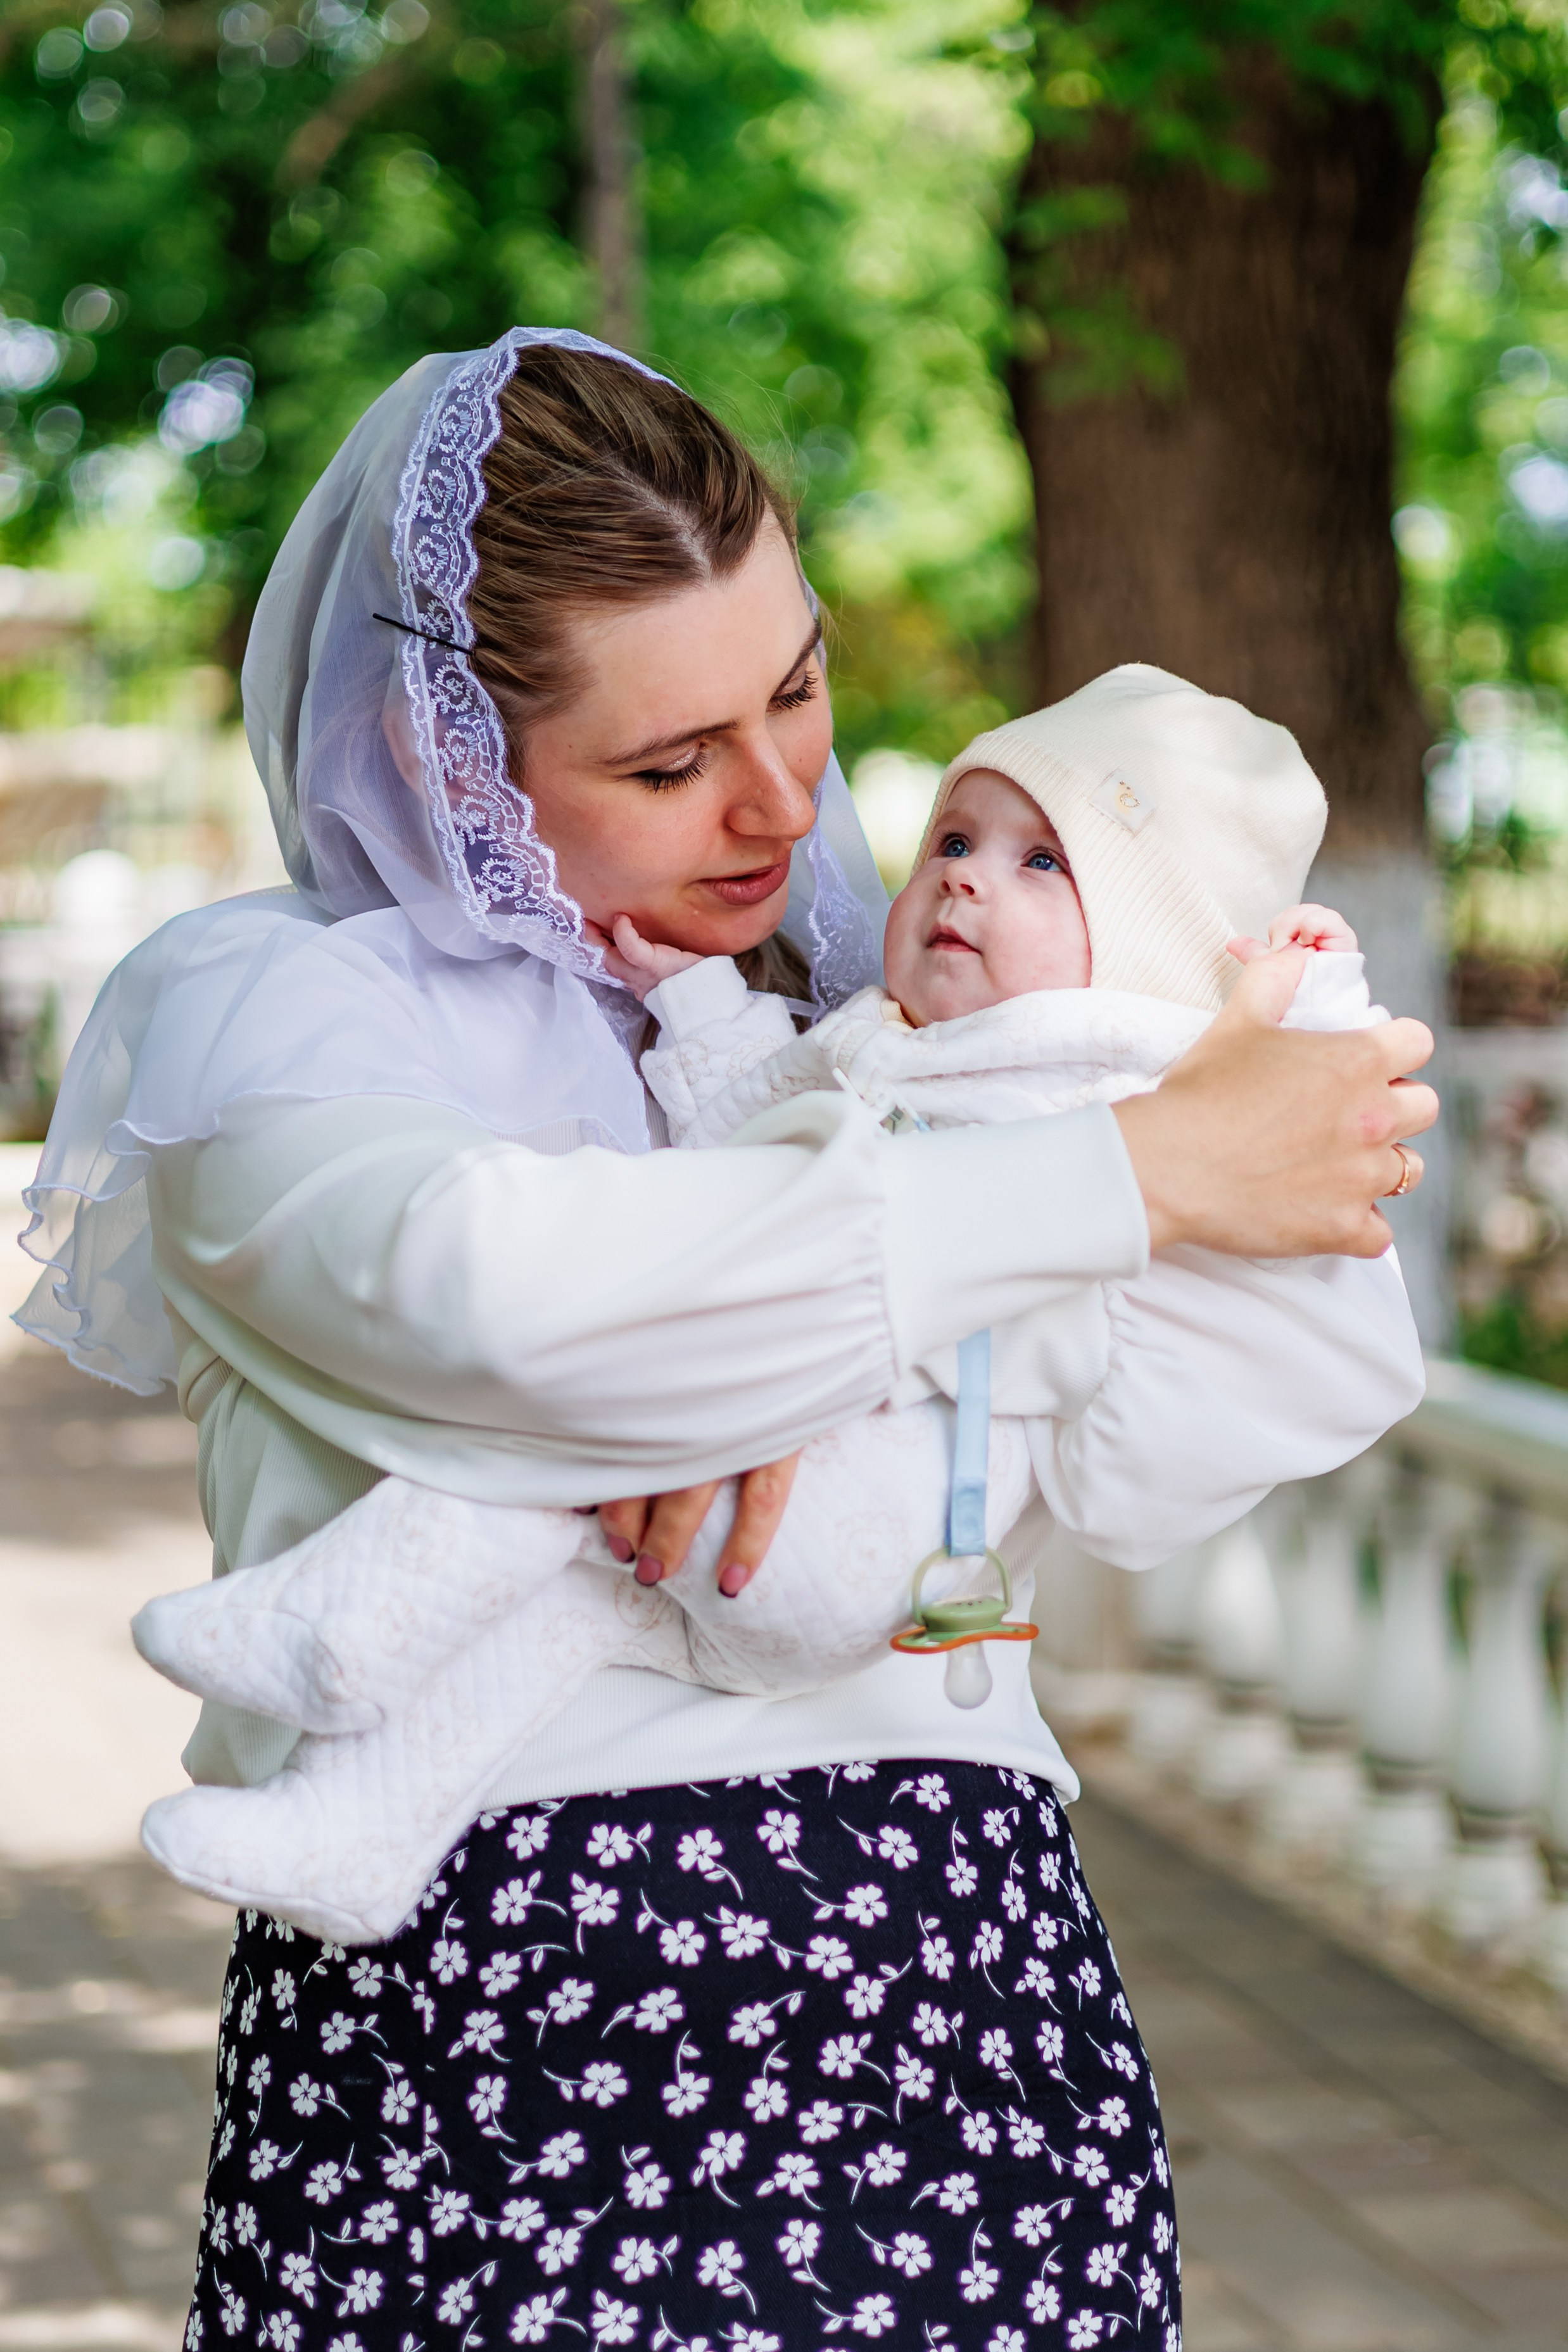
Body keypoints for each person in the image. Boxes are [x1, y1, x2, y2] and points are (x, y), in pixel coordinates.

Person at [15, 330, 1436, 2351]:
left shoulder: (895, 1026)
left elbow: (1170, 1452)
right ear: (445, 755)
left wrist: (1243, 1137)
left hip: (955, 1989)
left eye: (796, 689)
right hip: (508, 2043)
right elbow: (508, 1301)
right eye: (671, 761)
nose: (780, 801)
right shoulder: (290, 1018)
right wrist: (1128, 1178)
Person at [126, 669, 1422, 1949]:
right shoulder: (889, 1041)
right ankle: (355, 1823)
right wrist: (696, 1004)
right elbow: (761, 1129)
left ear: (1152, 950)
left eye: (1044, 867)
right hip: (782, 1597)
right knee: (565, 1614)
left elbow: (1273, 1226)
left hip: (865, 1535)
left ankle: (340, 1618)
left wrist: (1309, 1008)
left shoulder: (1121, 1073)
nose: (965, 876)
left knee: (555, 1463)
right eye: (957, 839)